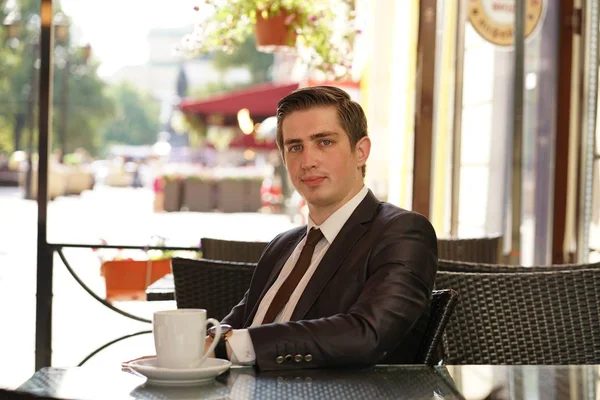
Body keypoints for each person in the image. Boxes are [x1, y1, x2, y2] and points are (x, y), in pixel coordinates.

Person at [207, 86, 438, 371]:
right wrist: (190, 348)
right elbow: (235, 325)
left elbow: (367, 334)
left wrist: (234, 345)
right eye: (295, 147)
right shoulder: (283, 245)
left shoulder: (402, 232)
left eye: (325, 142)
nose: (307, 162)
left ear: (361, 151)